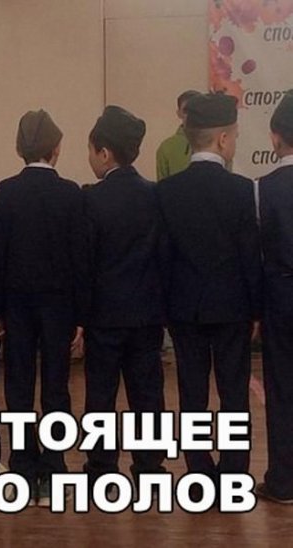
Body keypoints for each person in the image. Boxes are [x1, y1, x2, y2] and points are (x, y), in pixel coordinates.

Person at [156, 93, 262, 491]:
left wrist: (166, 307)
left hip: (184, 309)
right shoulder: (241, 189)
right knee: (234, 394)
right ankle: (234, 473)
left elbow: (163, 256)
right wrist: (256, 309)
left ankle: (198, 473)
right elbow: (250, 255)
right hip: (233, 308)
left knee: (192, 393)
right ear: (222, 139)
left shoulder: (167, 191)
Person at [0, 109, 88, 507]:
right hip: (59, 306)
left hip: (17, 306)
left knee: (19, 388)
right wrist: (81, 316)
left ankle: (23, 467)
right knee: (57, 389)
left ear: (18, 148)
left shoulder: (5, 192)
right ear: (57, 149)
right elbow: (80, 259)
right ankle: (54, 469)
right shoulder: (71, 194)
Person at [82, 106, 167, 490]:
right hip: (147, 313)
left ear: (104, 153)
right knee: (147, 393)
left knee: (101, 394)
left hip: (104, 314)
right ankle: (149, 466)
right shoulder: (155, 195)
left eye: (90, 150)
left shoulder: (92, 199)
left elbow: (85, 261)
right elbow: (164, 255)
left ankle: (101, 467)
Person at [256, 91, 293, 504]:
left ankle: (284, 481)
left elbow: (256, 253)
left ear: (275, 137)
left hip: (280, 295)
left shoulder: (262, 189)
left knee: (281, 388)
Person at [156, 90, 201, 181]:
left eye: (196, 110)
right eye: (186, 110)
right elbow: (162, 184)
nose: (191, 115)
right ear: (179, 113)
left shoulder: (215, 142)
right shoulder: (167, 147)